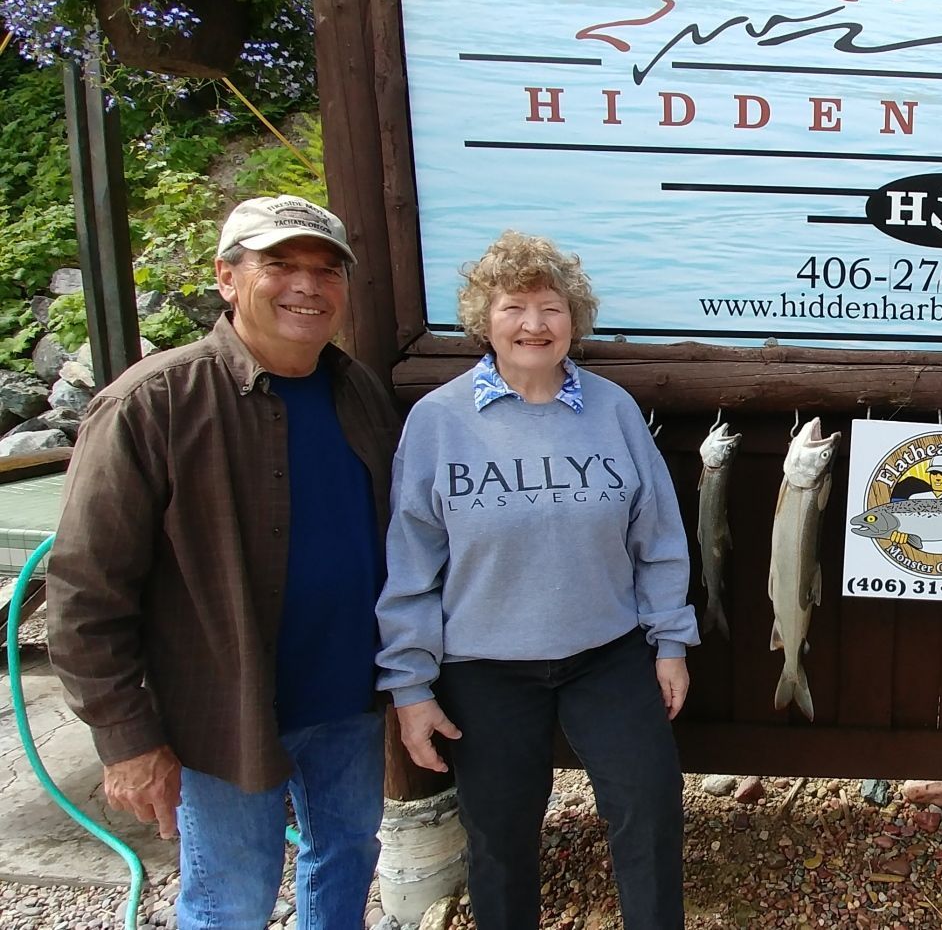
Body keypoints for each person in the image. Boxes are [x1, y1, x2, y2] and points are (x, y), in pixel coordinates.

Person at [46, 195, 399, 930]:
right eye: (280, 265)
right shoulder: (151, 403)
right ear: (227, 278)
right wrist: (128, 740)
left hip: (348, 704)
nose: (307, 285)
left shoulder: (359, 391)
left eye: (325, 271)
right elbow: (84, 592)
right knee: (230, 899)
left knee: (345, 861)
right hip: (223, 715)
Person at [377, 231, 696, 930]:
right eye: (513, 307)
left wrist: (670, 641)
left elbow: (658, 537)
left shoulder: (613, 411)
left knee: (649, 809)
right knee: (499, 836)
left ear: (573, 320)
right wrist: (409, 687)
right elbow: (411, 564)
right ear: (482, 321)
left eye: (550, 308)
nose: (533, 324)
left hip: (606, 654)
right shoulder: (437, 421)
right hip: (483, 666)